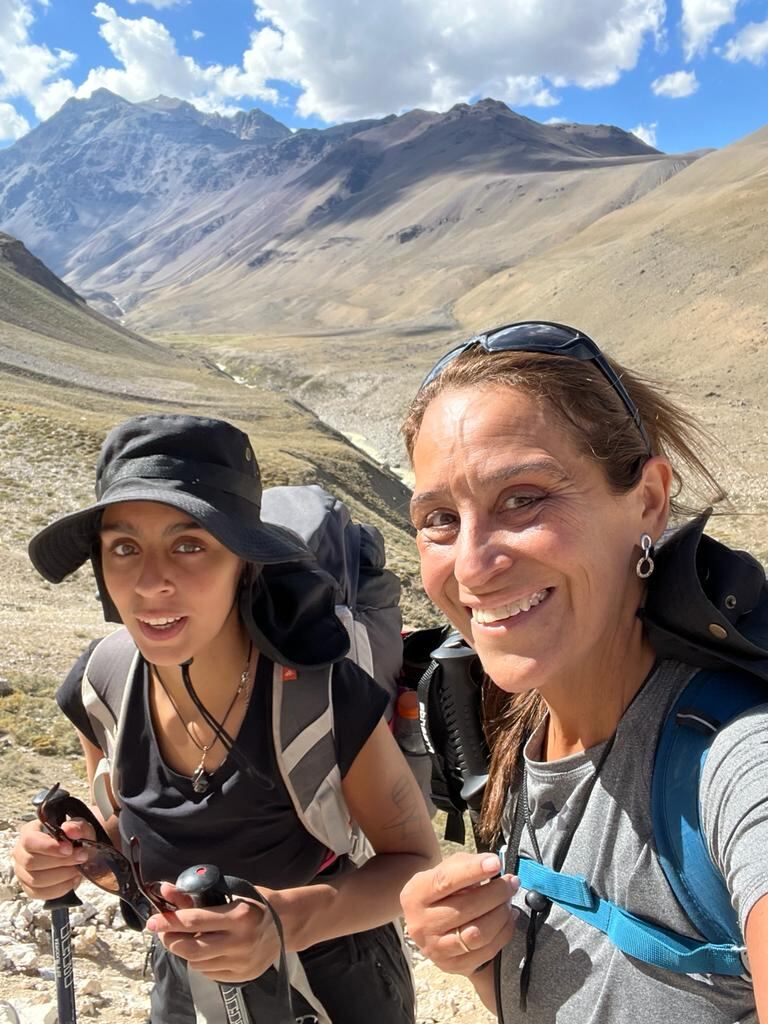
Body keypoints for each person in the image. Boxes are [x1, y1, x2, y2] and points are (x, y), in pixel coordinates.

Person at [12, 412, 439, 1024]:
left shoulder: (319, 695)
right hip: (183, 978)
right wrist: (68, 859)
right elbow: (125, 834)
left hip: (333, 975)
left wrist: (280, 924)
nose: (151, 582)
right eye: (124, 548)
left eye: (191, 544)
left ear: (244, 560)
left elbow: (416, 861)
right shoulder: (101, 685)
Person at [398, 321, 768, 1022]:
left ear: (649, 502)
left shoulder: (734, 764)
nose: (472, 565)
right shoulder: (521, 730)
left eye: (524, 498)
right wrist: (476, 957)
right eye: (439, 518)